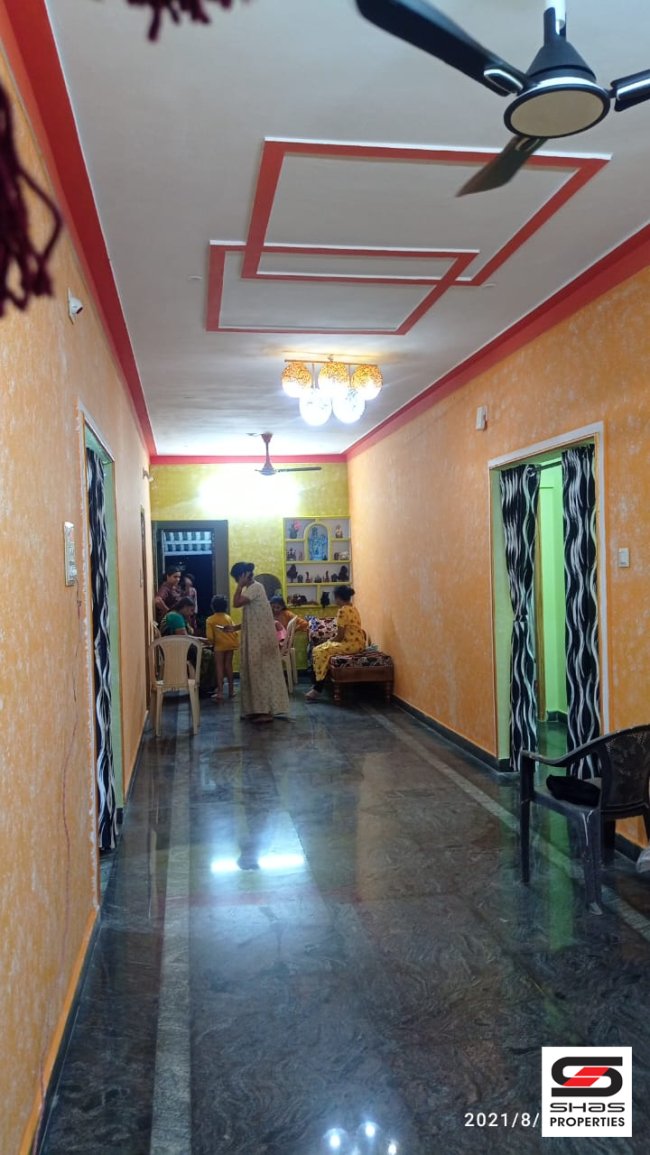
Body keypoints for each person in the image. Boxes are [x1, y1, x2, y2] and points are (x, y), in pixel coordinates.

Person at [231, 561, 290, 723]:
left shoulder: (255, 588)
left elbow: (235, 603)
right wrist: (235, 628)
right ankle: (256, 709)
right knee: (254, 673)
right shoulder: (253, 589)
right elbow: (253, 618)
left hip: (261, 640)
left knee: (260, 673)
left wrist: (240, 586)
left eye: (237, 578)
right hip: (257, 638)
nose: (237, 582)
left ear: (242, 576)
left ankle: (265, 711)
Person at [305, 585, 366, 701]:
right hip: (359, 644)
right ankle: (317, 684)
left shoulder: (342, 611)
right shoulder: (353, 608)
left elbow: (340, 636)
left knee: (318, 650)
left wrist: (328, 641)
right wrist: (329, 642)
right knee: (322, 647)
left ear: (338, 598)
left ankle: (317, 688)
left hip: (350, 645)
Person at [205, 594, 239, 700]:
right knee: (228, 665)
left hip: (219, 645)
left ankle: (220, 692)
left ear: (212, 606)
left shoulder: (210, 620)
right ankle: (231, 691)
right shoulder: (228, 617)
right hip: (231, 643)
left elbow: (210, 637)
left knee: (219, 666)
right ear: (226, 606)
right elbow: (234, 631)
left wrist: (208, 642)